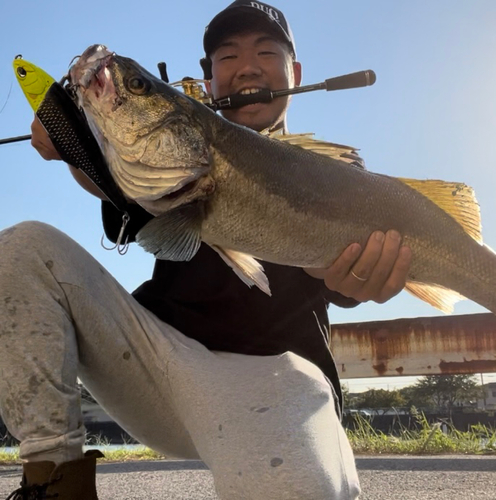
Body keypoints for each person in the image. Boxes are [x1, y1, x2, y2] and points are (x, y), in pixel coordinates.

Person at [0, 1, 411, 499]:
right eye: (227, 56)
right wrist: (77, 144)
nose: (248, 65)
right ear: (209, 79)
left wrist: (369, 279)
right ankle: (54, 479)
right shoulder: (173, 150)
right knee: (22, 248)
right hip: (159, 367)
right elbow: (122, 185)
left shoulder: (344, 178)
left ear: (294, 72)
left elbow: (354, 287)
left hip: (282, 380)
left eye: (266, 51)